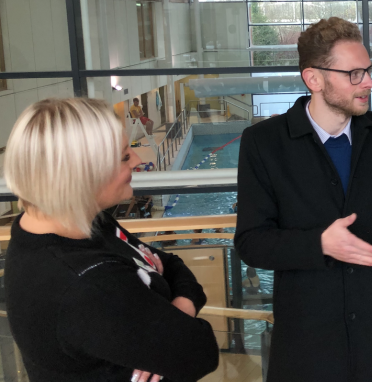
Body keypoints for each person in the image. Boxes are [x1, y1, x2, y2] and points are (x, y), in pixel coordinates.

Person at [234, 17, 372, 382]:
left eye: (368, 70)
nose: (368, 81)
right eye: (355, 74)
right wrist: (319, 244)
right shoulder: (263, 143)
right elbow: (251, 242)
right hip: (307, 343)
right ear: (314, 79)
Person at [4, 98, 219, 382]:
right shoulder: (87, 282)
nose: (139, 160)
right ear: (81, 173)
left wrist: (177, 312)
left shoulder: (84, 224)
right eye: (123, 156)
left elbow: (172, 262)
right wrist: (178, 317)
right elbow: (201, 353)